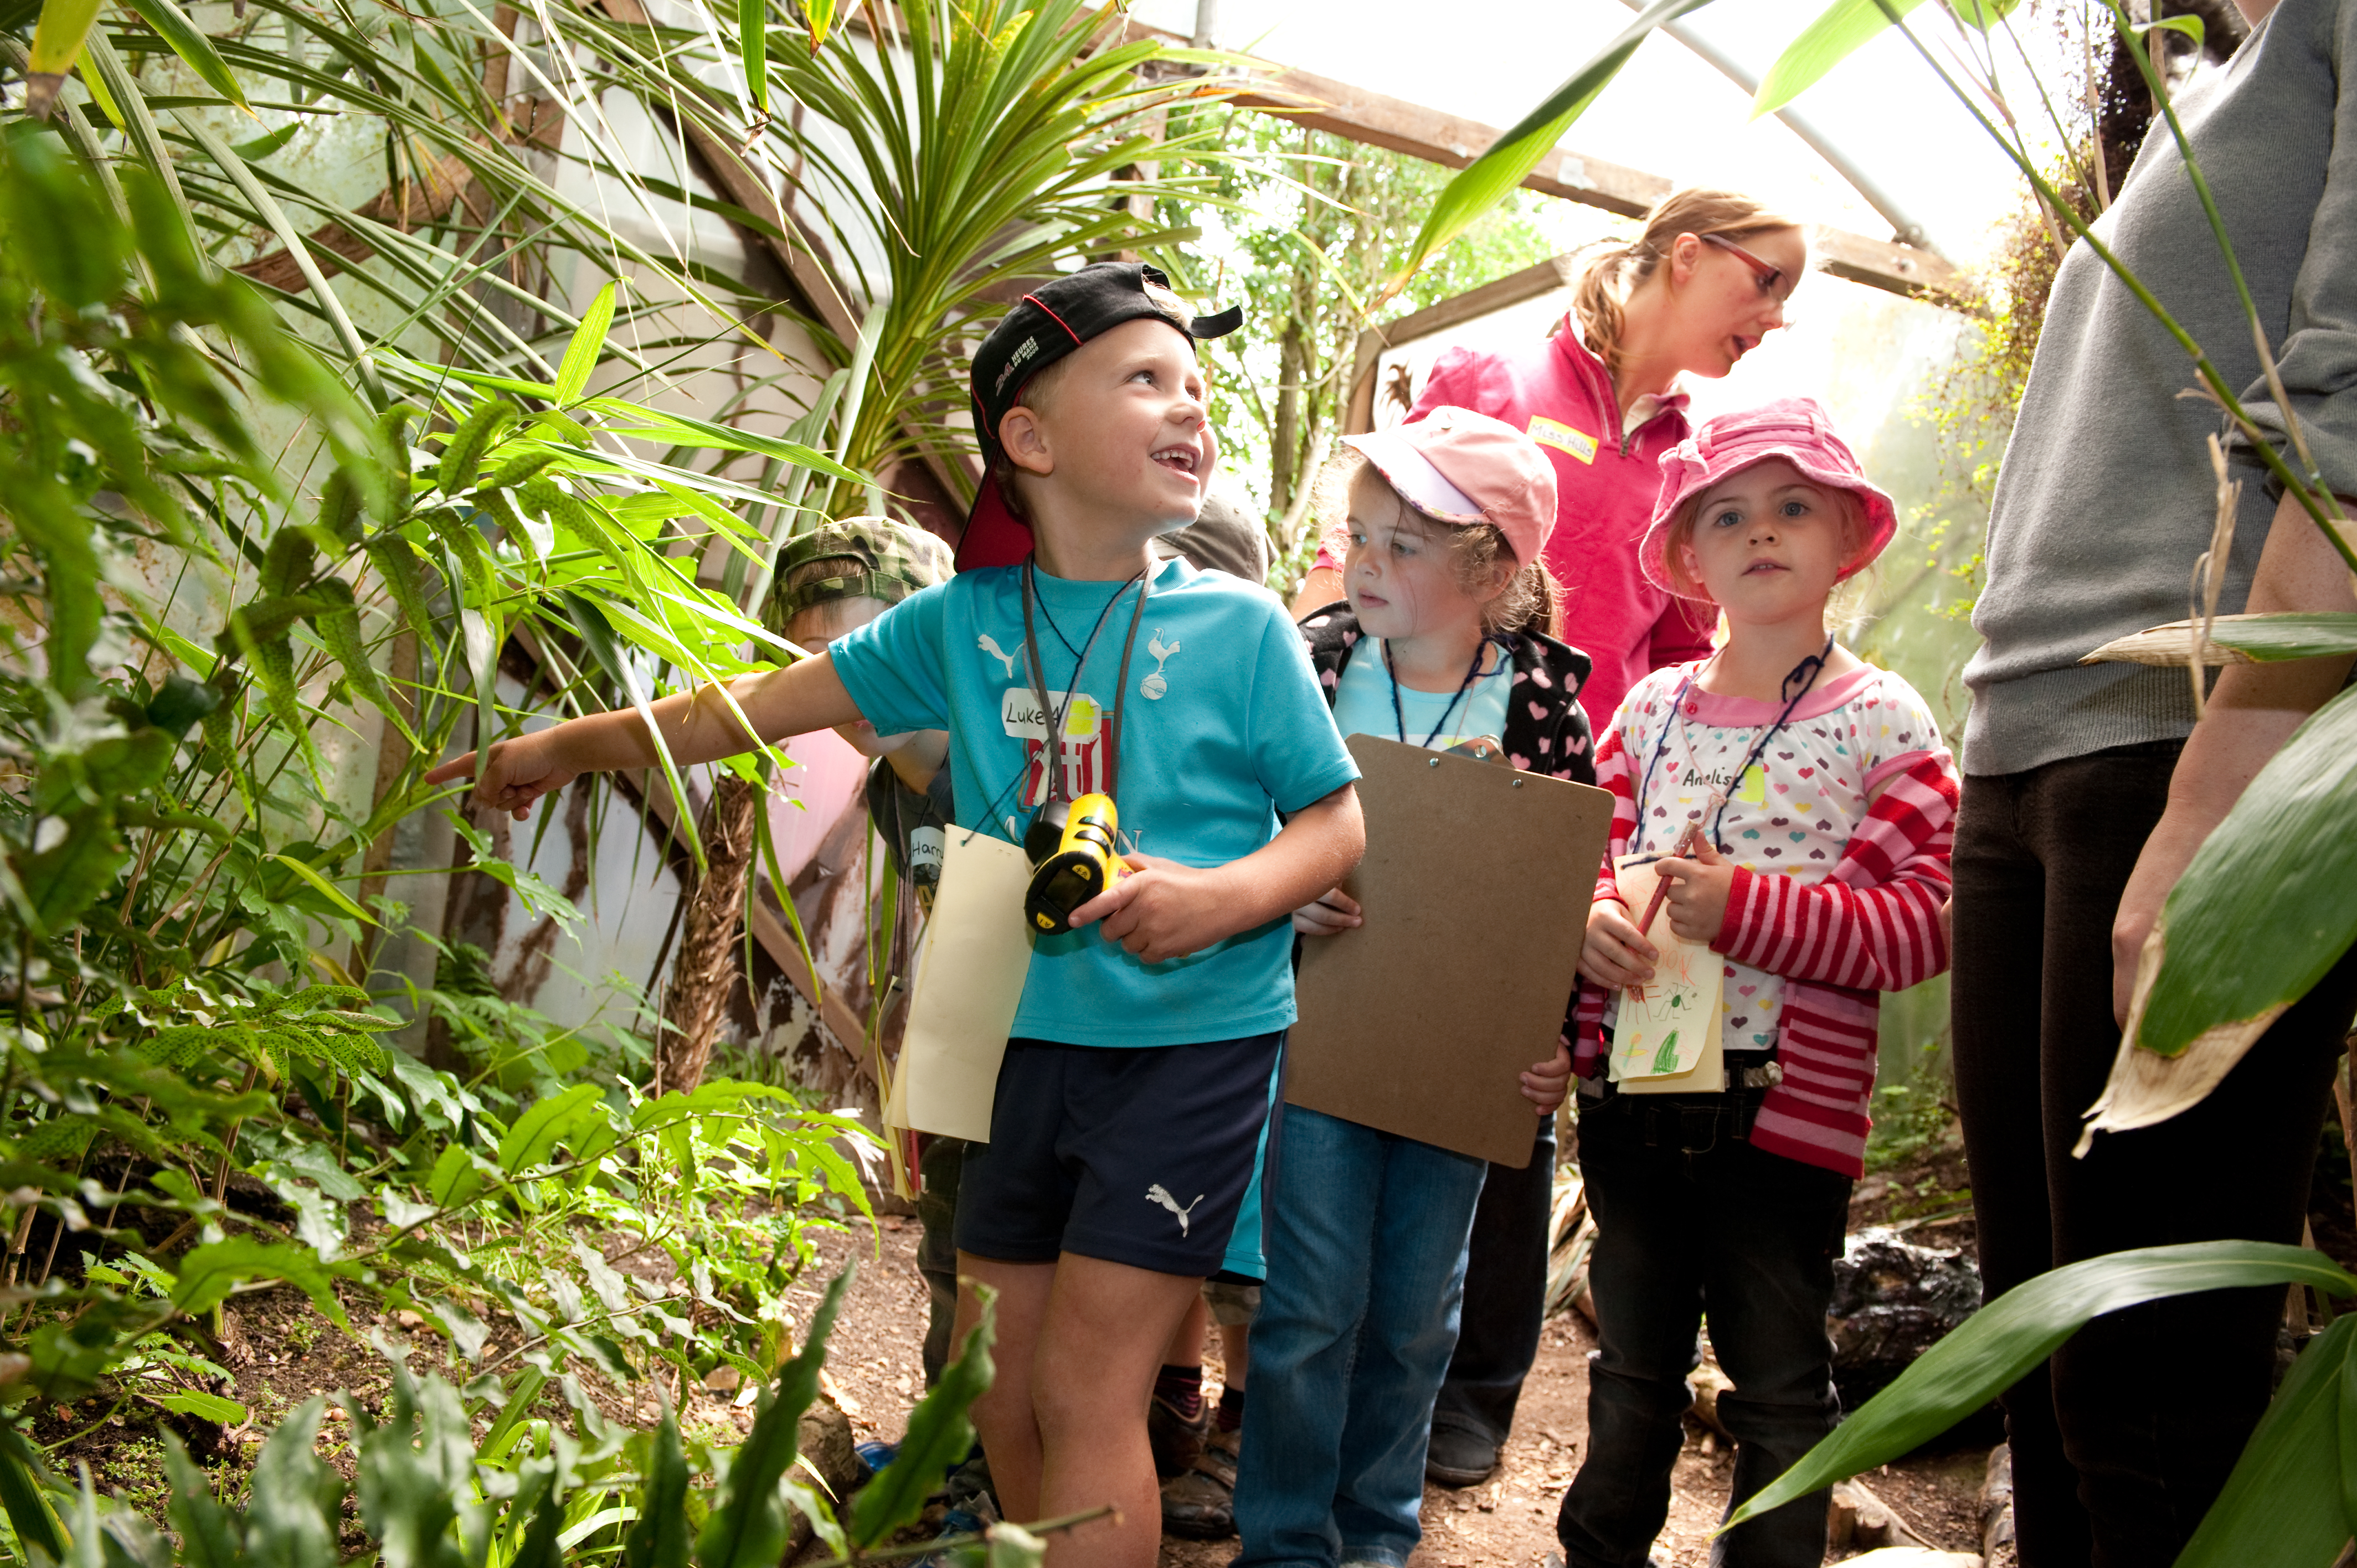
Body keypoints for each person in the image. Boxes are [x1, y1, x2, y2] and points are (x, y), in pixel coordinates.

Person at [426, 261, 1366, 1568]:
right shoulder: (957, 625)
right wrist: (557, 748)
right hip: (1015, 1030)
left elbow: (1335, 827)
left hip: (1189, 1047)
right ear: (1029, 439)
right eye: (1145, 378)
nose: (1189, 406)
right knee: (996, 1387)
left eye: (1196, 386)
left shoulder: (1243, 628)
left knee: (1087, 1392)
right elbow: (743, 708)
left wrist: (1221, 898)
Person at [1296, 187, 1809, 1491]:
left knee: (1512, 1080)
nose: (1773, 314)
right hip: (1405, 760)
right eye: (1763, 279)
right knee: (1346, 1058)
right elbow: (1374, 536)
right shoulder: (1501, 377)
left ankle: (1469, 1390)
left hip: (1563, 790)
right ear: (1683, 255)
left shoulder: (1691, 450)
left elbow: (1683, 652)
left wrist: (1630, 838)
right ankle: (1297, 1367)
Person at [1950, 0, 2357, 1558]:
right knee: (2042, 1349)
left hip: (2190, 734)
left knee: (2150, 1398)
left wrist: (2227, 782)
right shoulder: (2213, 74)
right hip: (2028, 740)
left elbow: (2350, 411)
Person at [1558, 399, 1959, 1566]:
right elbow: (1582, 857)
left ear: (1850, 537)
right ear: (1689, 556)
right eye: (1726, 515)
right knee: (1630, 1365)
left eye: (1793, 507)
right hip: (1634, 1098)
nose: (1761, 532)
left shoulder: (1884, 719)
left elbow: (1923, 926)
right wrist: (1589, 919)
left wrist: (1750, 913)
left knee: (1779, 1384)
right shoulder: (1648, 712)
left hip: (1786, 1117)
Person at [1231, 406, 1587, 1568]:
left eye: (1402, 544)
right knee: (1307, 1307)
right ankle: (1286, 1540)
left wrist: (1560, 1043)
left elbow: (1564, 892)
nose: (1364, 563)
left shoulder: (1541, 707)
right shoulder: (1315, 663)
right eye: (1358, 536)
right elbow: (1242, 814)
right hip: (1321, 1035)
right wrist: (1283, 892)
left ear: (1493, 570)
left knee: (1416, 1319)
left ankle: (1377, 1536)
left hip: (1463, 1064)